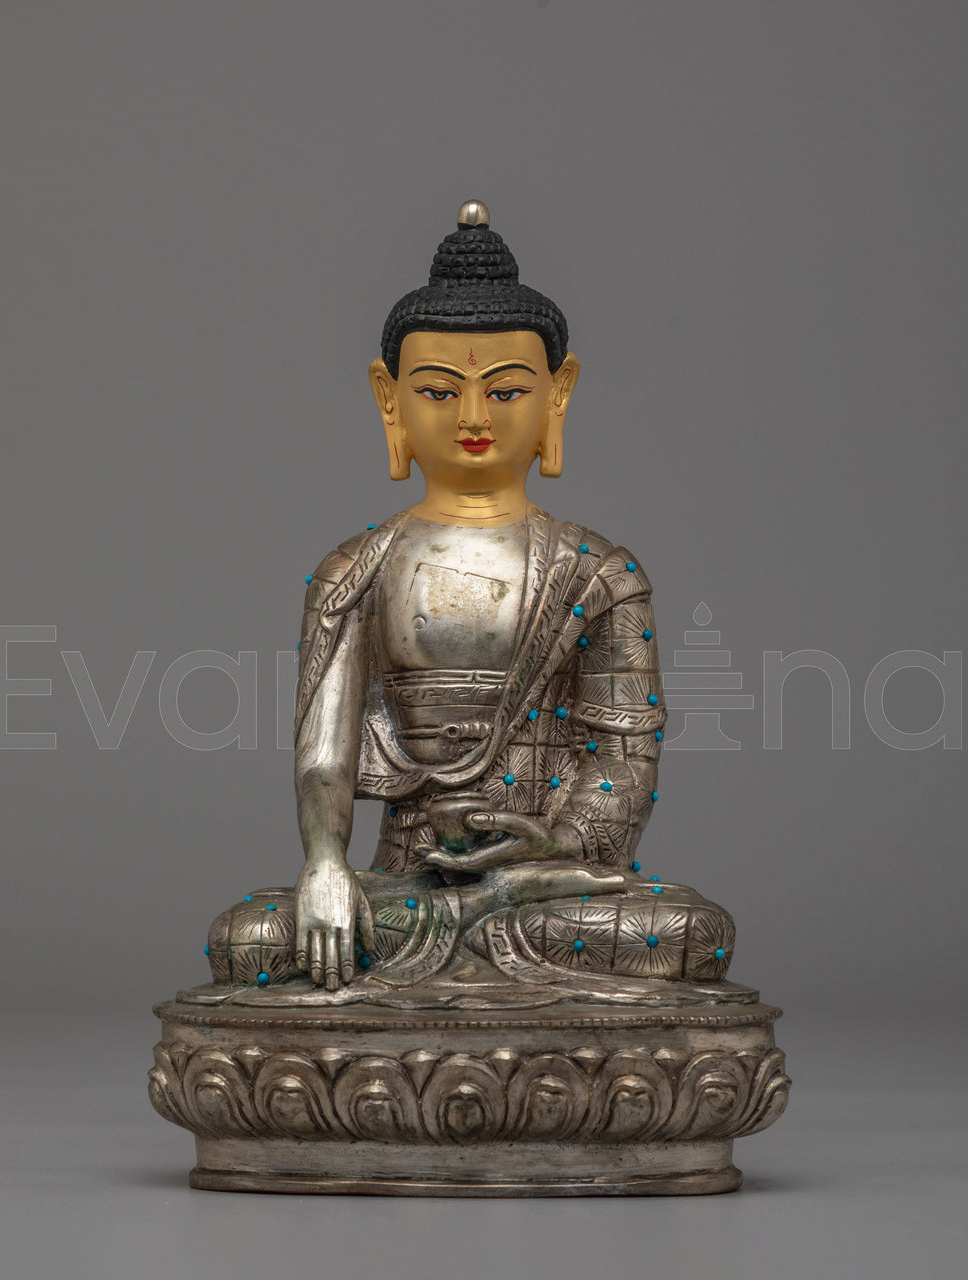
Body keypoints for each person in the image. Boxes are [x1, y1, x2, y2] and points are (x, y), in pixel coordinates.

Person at [208, 203, 738, 1007]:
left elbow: (623, 766)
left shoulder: (600, 573)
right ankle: (453, 935)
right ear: (389, 400)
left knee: (693, 932)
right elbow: (324, 759)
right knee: (249, 939)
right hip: (402, 884)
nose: (473, 418)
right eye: (437, 390)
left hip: (543, 886)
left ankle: (468, 934)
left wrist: (548, 849)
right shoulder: (354, 570)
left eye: (508, 390)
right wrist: (323, 866)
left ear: (558, 395)